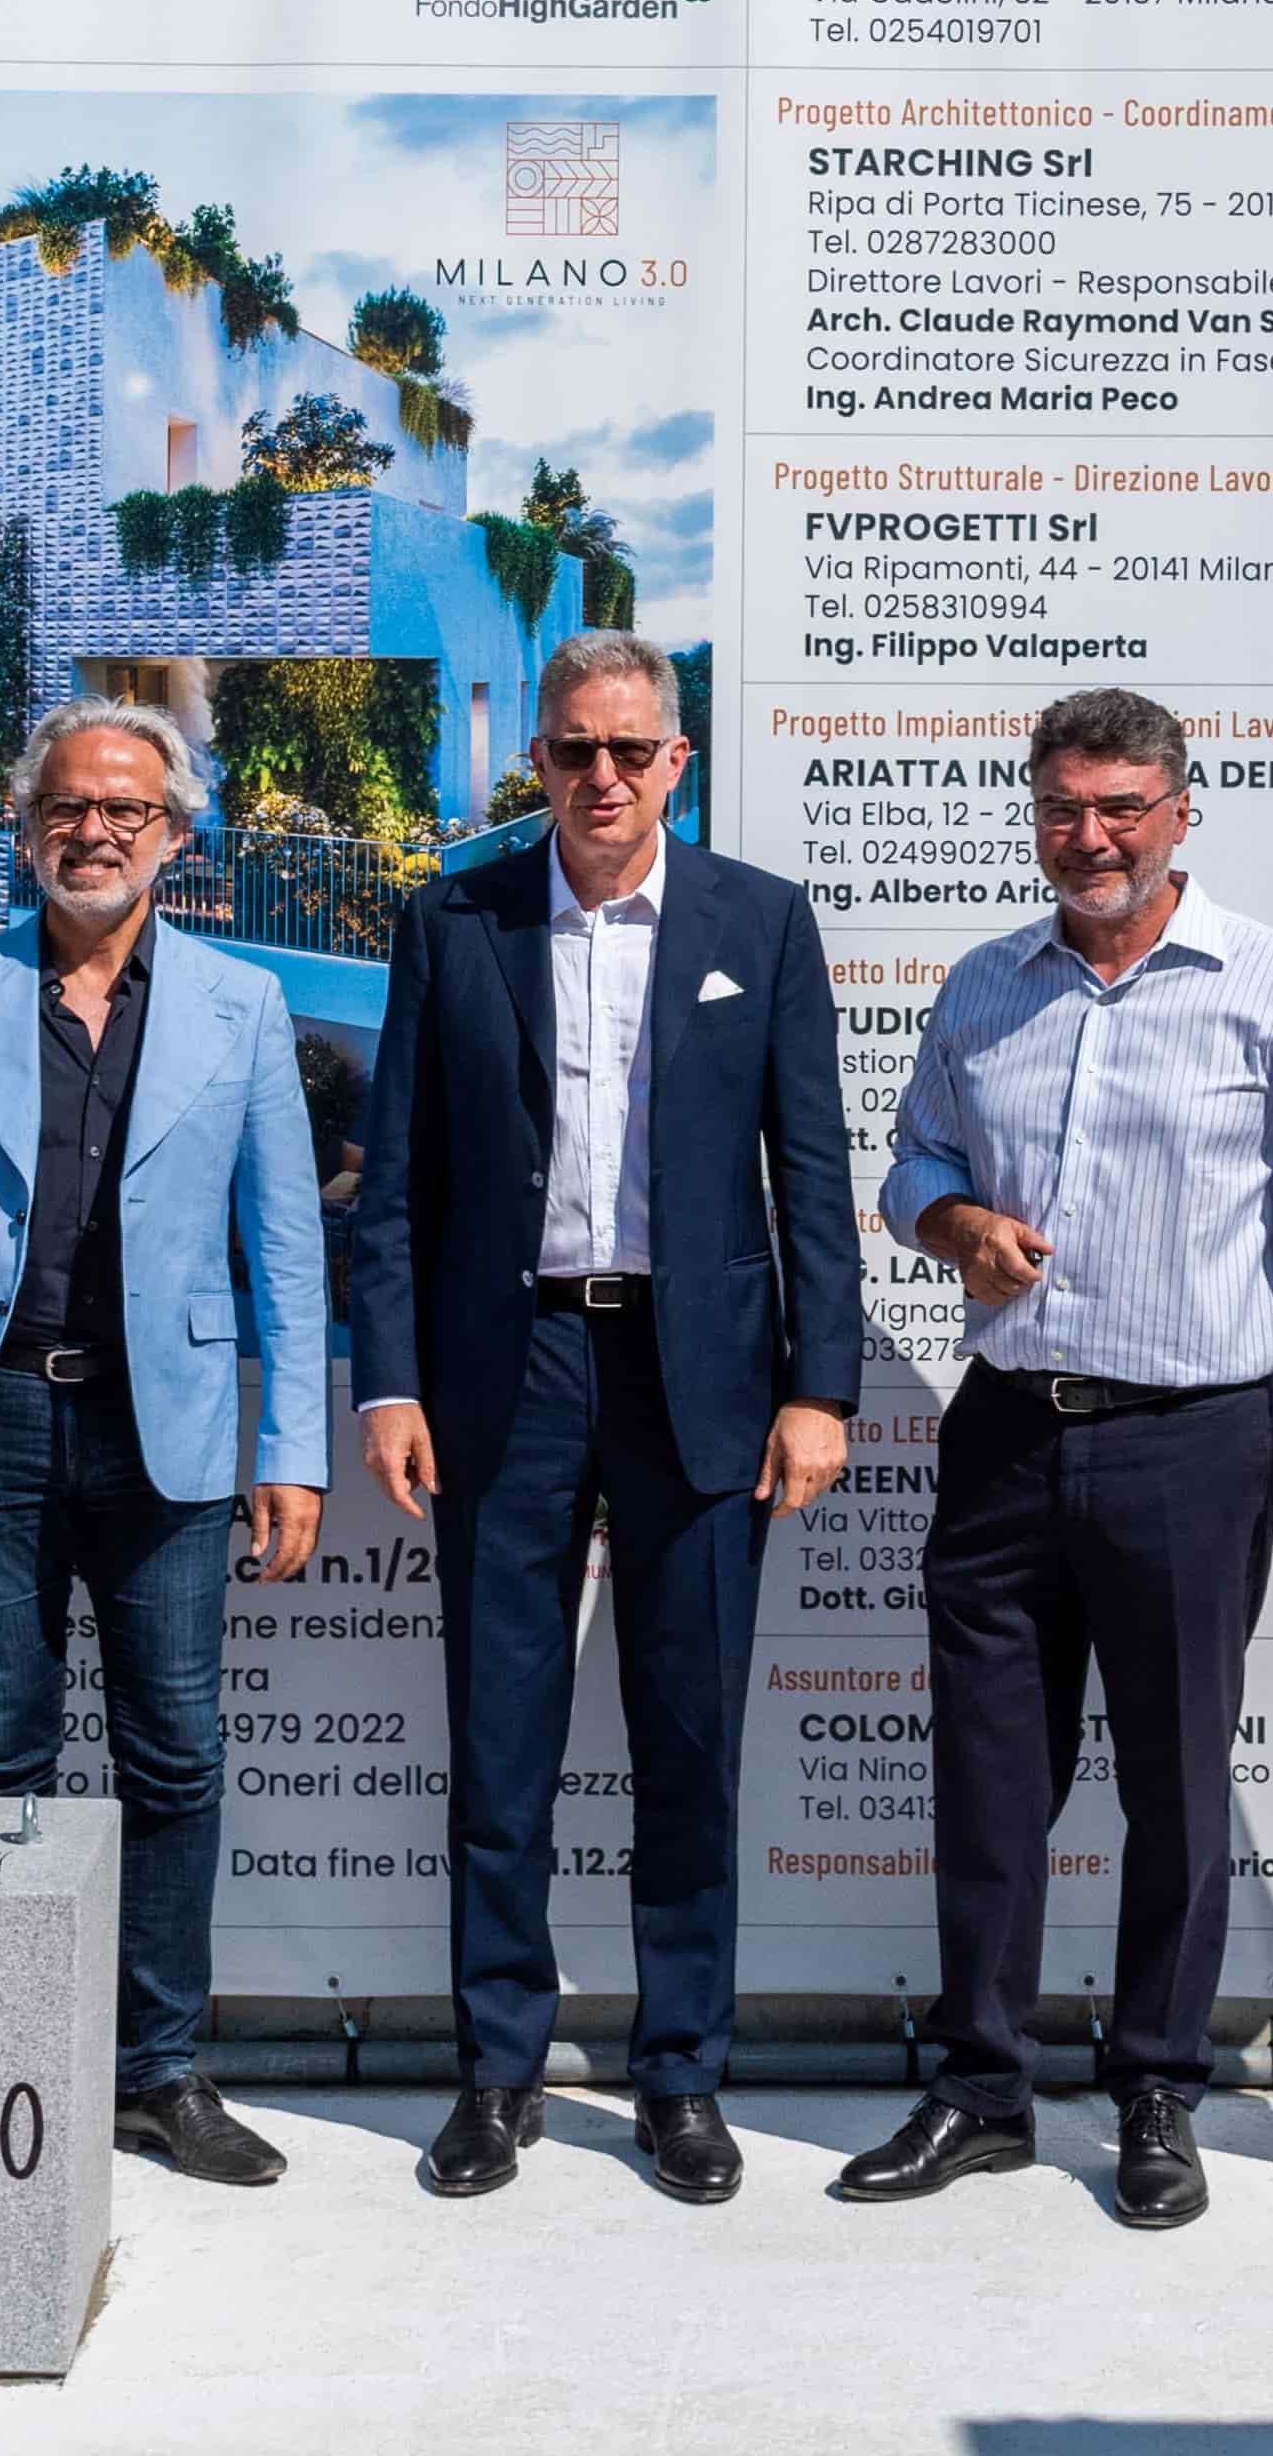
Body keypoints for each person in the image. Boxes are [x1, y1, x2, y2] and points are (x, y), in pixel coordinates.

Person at [840, 686, 1273, 2231]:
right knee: (986, 1784)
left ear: (1178, 812)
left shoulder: (1270, 984)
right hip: (1006, 1430)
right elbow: (912, 1161)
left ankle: (1155, 2092)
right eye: (1060, 809)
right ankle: (980, 2094)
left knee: (1176, 1787)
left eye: (1118, 809)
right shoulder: (984, 984)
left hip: (1188, 1438)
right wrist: (955, 1221)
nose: (1088, 838)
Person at [351, 629, 863, 2205]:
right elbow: (397, 1179)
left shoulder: (756, 922)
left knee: (688, 1743)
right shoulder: (454, 920)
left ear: (674, 764)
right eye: (575, 748)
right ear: (541, 760)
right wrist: (388, 1378)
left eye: (630, 751)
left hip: (699, 1377)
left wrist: (820, 1387)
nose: (601, 776)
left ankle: (679, 2075)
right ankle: (496, 2071)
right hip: (505, 1374)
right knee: (498, 1742)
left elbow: (813, 1174)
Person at [0, 698, 330, 2189]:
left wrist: (291, 1447)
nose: (93, 832)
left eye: (126, 811)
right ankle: (5, 2063)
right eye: (67, 806)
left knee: (174, 1757)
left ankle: (158, 2072)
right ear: (24, 823)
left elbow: (286, 1252)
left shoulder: (242, 1006)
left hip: (167, 1434)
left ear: (176, 836)